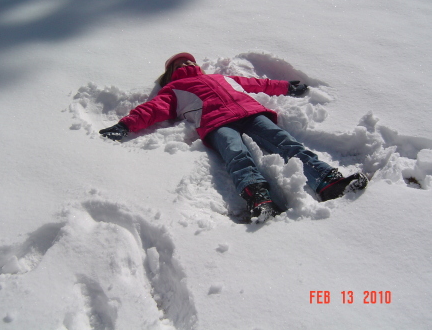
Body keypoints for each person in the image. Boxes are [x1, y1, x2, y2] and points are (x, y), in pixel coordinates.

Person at [99, 52, 368, 222]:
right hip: (216, 123)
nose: (187, 62)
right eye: (179, 62)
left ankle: (326, 181)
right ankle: (258, 197)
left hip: (251, 113)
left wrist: (286, 86)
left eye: (189, 59)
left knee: (286, 143)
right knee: (237, 154)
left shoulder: (221, 78)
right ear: (170, 73)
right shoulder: (174, 89)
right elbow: (152, 109)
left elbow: (258, 85)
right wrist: (125, 125)